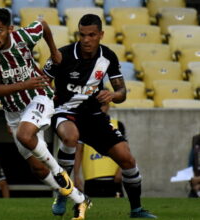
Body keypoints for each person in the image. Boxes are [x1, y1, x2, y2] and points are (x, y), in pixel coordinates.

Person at [0, 8, 90, 219]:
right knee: (37, 168)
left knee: (25, 136)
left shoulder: (23, 36)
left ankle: (59, 173)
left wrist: (54, 51)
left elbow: (43, 25)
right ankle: (80, 199)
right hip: (13, 111)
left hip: (39, 96)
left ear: (9, 29)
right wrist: (24, 83)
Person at [43, 14, 157, 218]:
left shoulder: (108, 57)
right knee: (70, 137)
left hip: (94, 116)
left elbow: (122, 93)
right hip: (65, 111)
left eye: (92, 35)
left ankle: (136, 209)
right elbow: (41, 83)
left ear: (101, 35)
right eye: (82, 34)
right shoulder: (63, 55)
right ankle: (63, 192)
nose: (86, 39)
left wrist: (113, 94)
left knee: (127, 159)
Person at [73, 103, 124, 198]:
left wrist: (121, 170)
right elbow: (78, 152)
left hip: (113, 178)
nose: (101, 107)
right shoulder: (83, 125)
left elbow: (124, 149)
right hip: (91, 178)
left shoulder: (117, 124)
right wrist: (76, 175)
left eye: (103, 104)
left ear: (108, 105)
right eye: (98, 105)